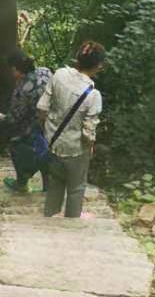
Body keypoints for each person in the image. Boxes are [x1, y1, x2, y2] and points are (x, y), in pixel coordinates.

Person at [37, 41, 107, 220]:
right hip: (76, 150)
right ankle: (72, 222)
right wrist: (89, 146)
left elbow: (42, 107)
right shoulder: (93, 95)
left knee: (55, 184)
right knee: (76, 188)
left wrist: (48, 131)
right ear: (99, 66)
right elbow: (88, 132)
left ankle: (49, 217)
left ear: (77, 59)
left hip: (53, 143)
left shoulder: (59, 75)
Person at [0, 48, 52, 193]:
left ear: (15, 69)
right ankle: (48, 186)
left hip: (32, 129)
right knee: (47, 152)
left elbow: (12, 119)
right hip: (52, 125)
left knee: (16, 144)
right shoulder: (45, 72)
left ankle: (22, 182)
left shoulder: (22, 90)